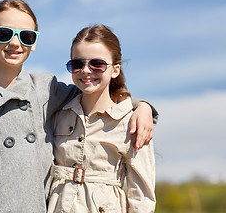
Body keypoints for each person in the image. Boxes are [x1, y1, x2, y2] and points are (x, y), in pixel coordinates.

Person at [0, 0, 157, 212]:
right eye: (4, 34)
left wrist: (142, 106)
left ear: (33, 43)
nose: (15, 43)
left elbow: (95, 92)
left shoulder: (46, 89)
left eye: (26, 36)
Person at [47, 24, 156, 213]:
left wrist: (143, 106)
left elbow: (142, 196)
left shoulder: (132, 122)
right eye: (77, 64)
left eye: (97, 64)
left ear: (115, 70)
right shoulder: (58, 114)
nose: (86, 71)